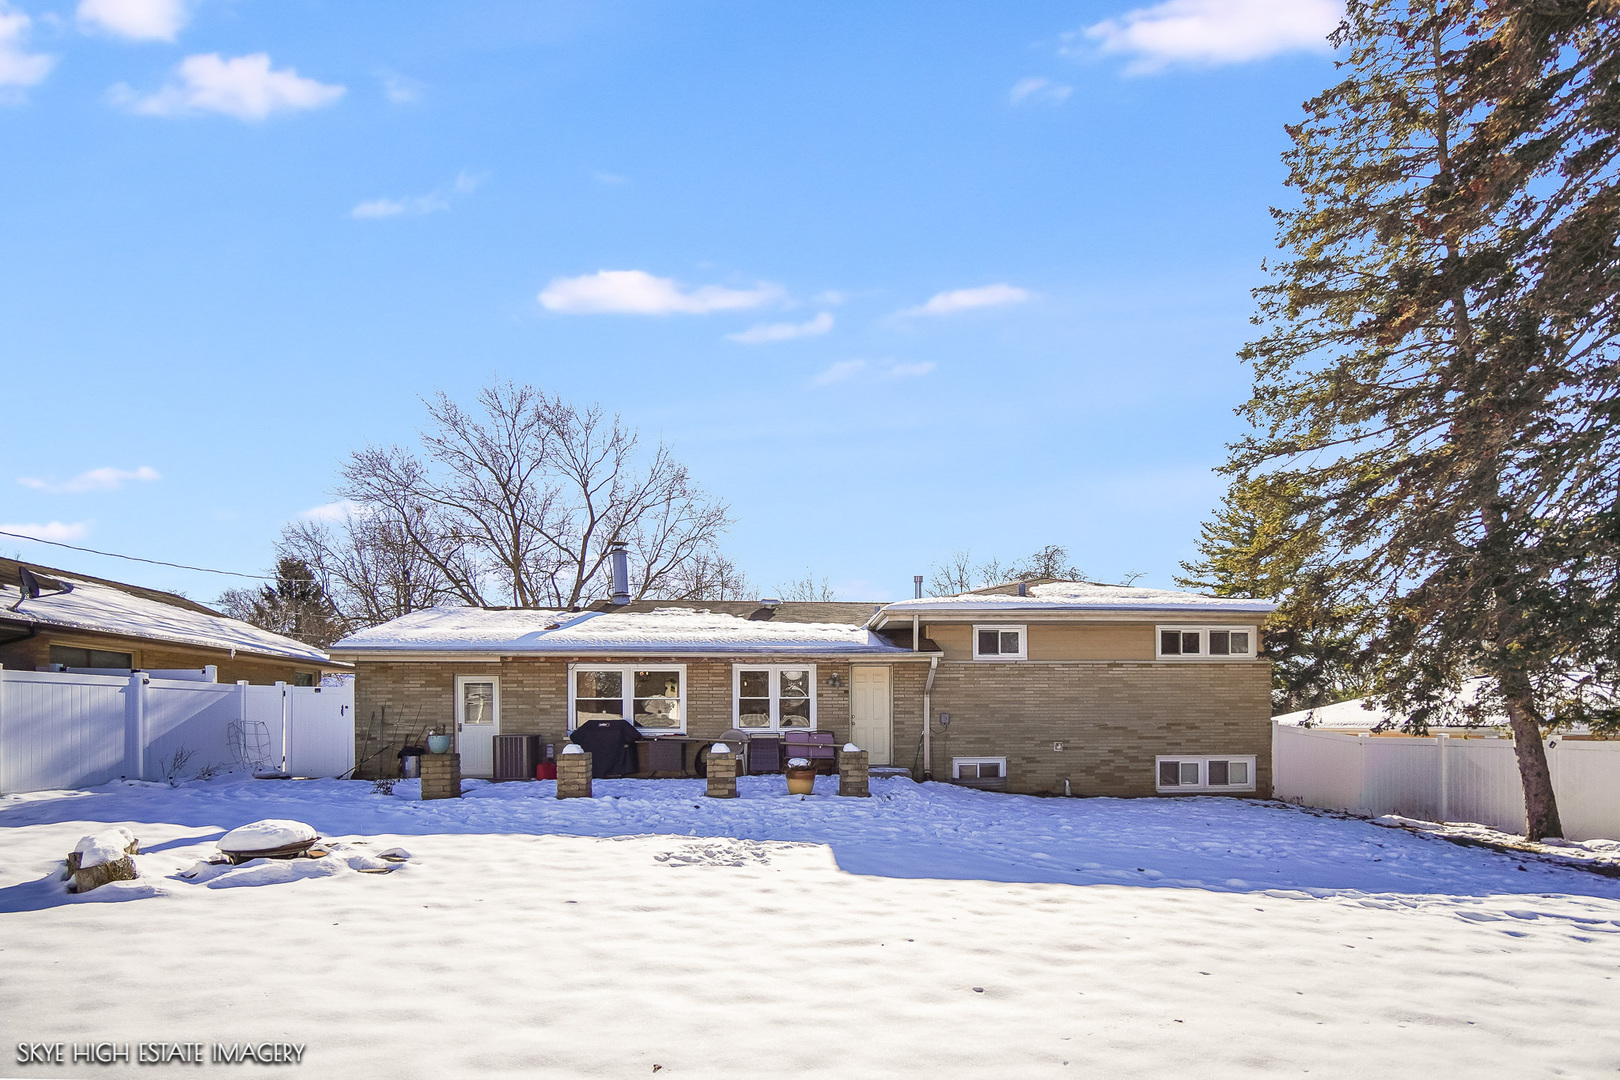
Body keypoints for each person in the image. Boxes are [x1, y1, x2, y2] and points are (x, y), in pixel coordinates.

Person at [568, 716, 642, 777]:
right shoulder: (621, 726)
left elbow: (574, 737)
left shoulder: (589, 726)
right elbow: (635, 736)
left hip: (593, 769)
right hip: (617, 768)